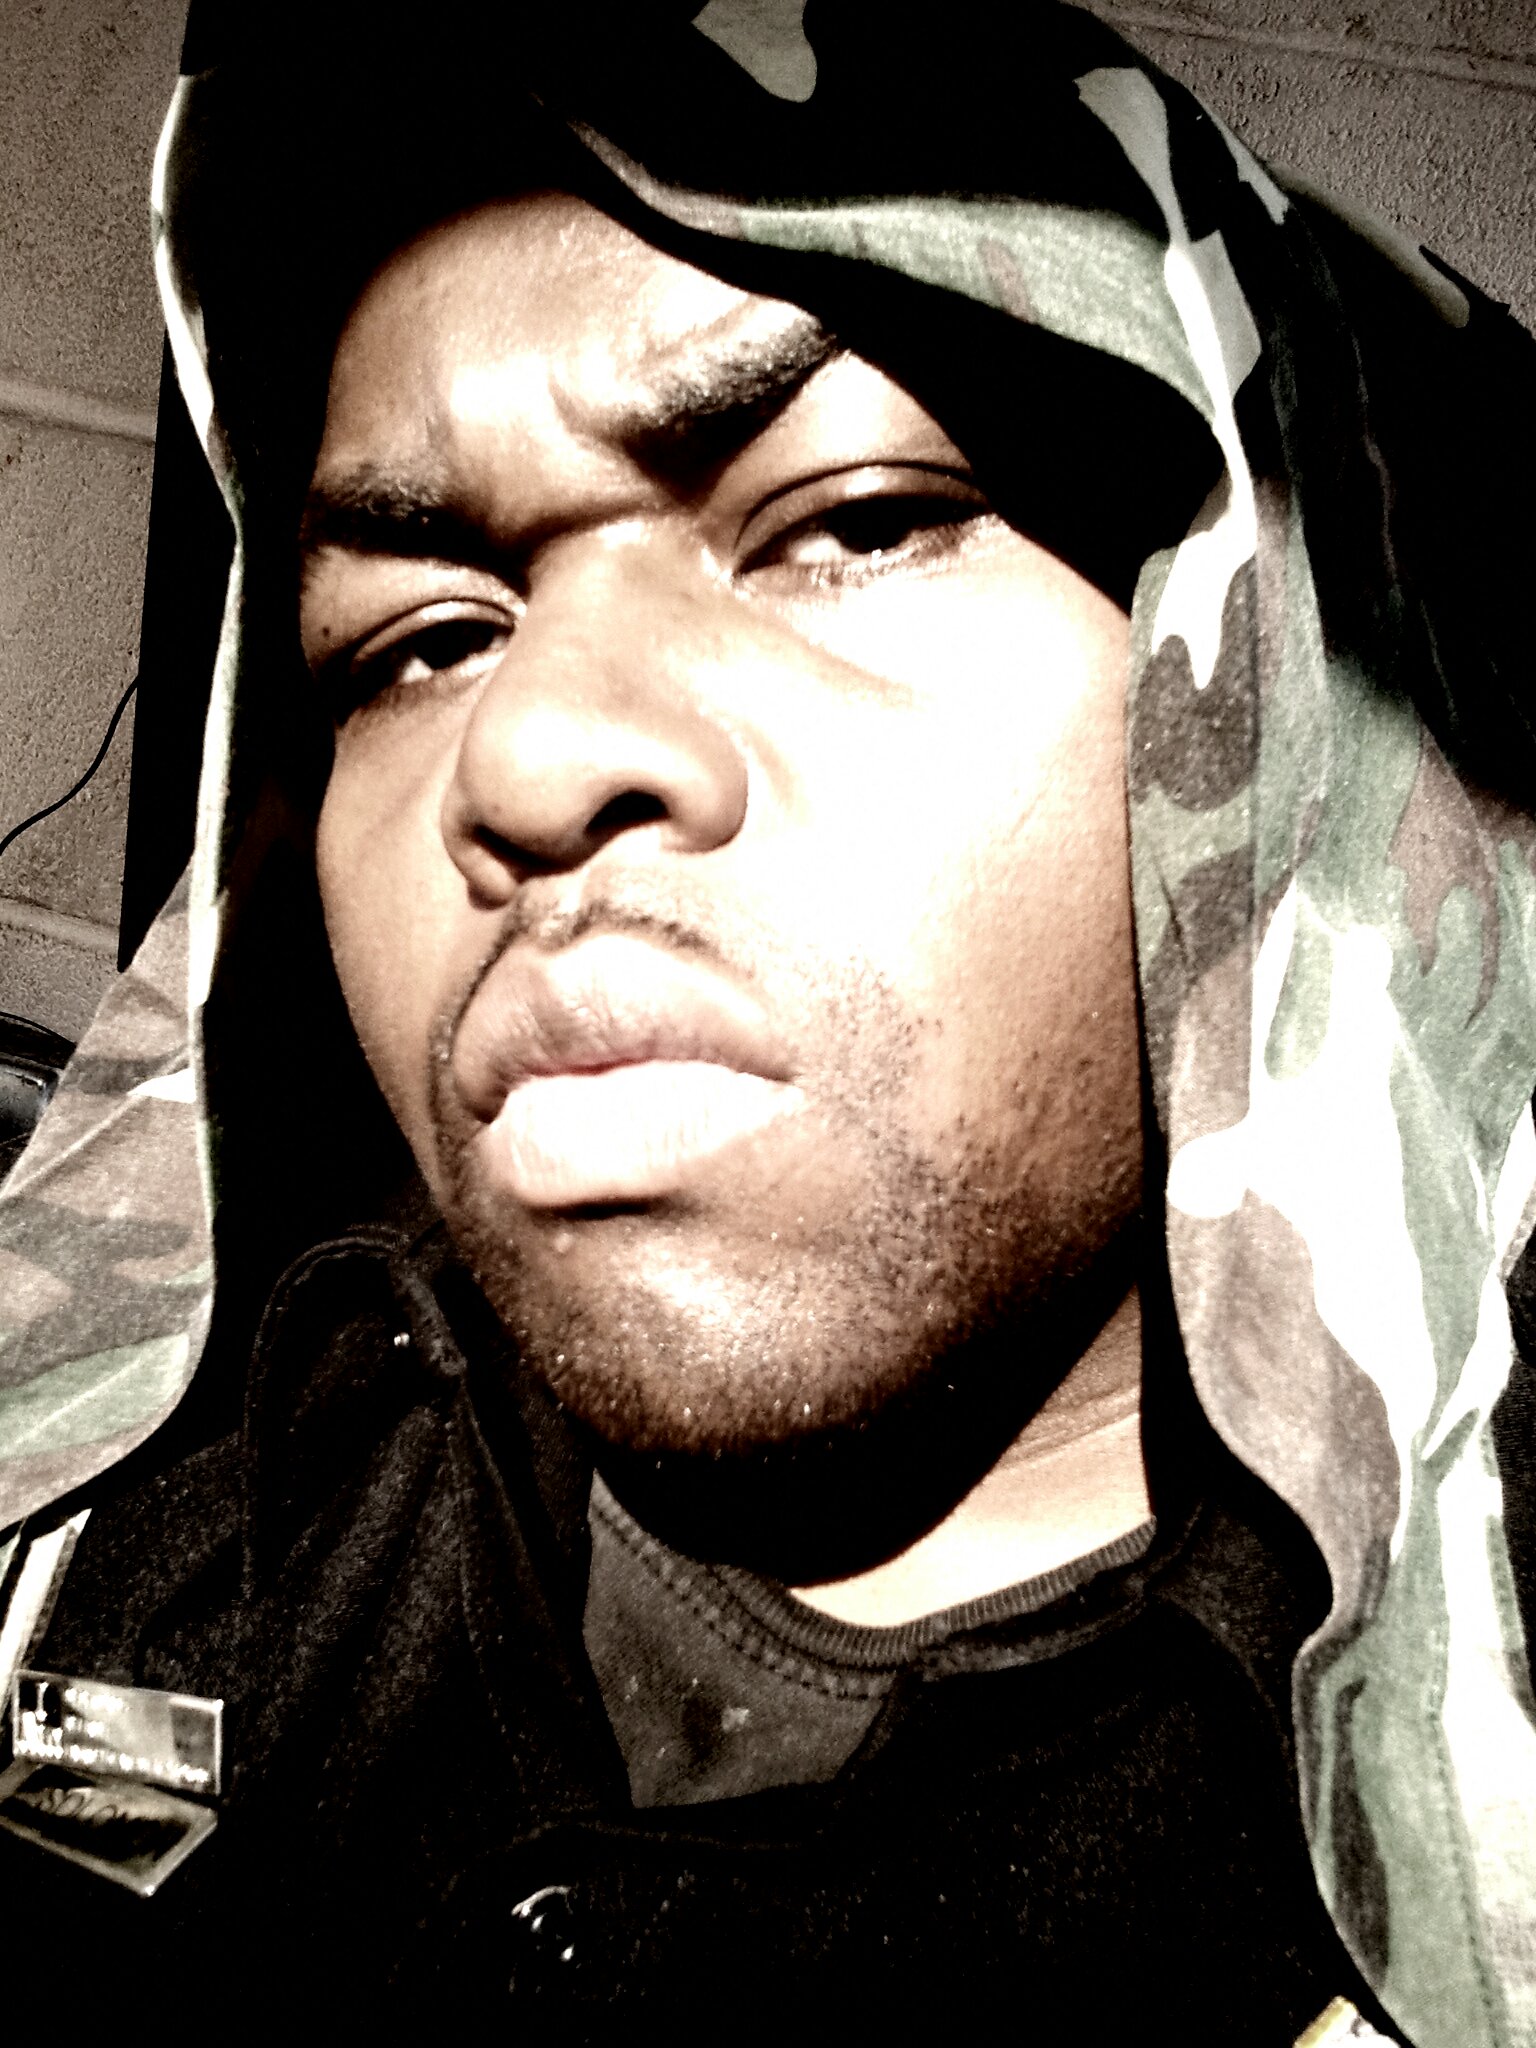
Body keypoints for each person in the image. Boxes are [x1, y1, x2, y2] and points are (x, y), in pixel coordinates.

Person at [0, 1, 1533, 2037]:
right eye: (419, 640)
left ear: (1274, 712)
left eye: (856, 523)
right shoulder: (141, 1505)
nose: (526, 758)